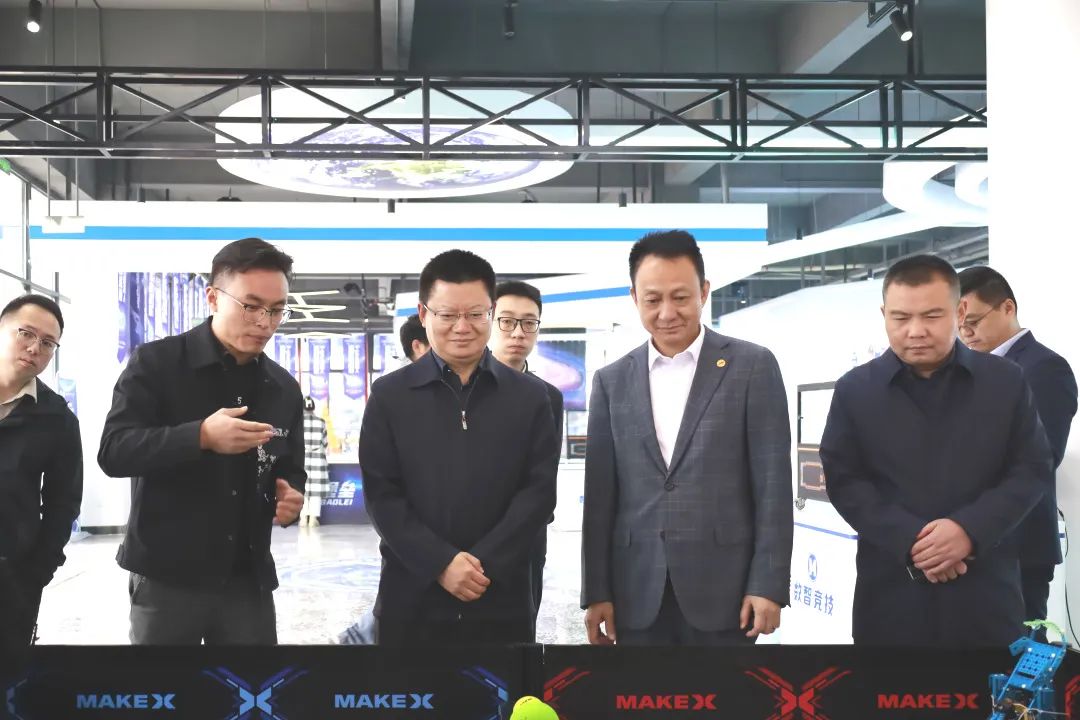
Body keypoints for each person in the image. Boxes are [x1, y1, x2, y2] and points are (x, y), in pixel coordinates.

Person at [820, 255, 1053, 647]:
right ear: (884, 315)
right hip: (891, 593)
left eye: (931, 316)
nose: (916, 331)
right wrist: (913, 540)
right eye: (900, 317)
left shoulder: (1005, 382)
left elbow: (1031, 468)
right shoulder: (855, 390)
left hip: (986, 590)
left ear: (959, 312)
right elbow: (845, 481)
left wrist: (968, 531)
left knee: (990, 684)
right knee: (891, 686)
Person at [581, 230, 792, 646]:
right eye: (652, 299)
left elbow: (772, 485)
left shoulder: (752, 366)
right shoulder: (611, 381)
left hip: (727, 591)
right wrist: (596, 591)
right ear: (634, 298)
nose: (667, 313)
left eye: (680, 297)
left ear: (704, 292)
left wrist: (768, 584)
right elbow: (600, 497)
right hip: (635, 591)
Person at [98, 238, 306, 645]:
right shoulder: (156, 364)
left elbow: (289, 466)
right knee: (165, 684)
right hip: (168, 578)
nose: (265, 322)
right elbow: (115, 451)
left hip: (247, 580)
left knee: (253, 683)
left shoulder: (282, 388)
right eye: (251, 306)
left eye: (277, 309)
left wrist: (290, 494)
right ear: (213, 298)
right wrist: (200, 436)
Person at [358, 250, 559, 646]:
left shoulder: (530, 397)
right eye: (448, 315)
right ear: (424, 314)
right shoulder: (390, 396)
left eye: (476, 314)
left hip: (501, 596)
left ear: (491, 312)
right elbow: (382, 496)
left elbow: (538, 493)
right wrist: (440, 563)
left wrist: (483, 566)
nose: (462, 327)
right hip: (412, 597)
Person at [958, 266, 1077, 628]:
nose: (965, 333)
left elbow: (1041, 456)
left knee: (1016, 652)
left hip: (1017, 545)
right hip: (968, 543)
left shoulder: (1044, 368)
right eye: (958, 325)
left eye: (973, 322)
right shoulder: (968, 369)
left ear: (1007, 308)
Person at [0, 295, 82, 657]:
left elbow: (63, 503)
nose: (35, 348)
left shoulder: (56, 418)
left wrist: (36, 573)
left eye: (48, 343)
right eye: (26, 333)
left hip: (10, 579)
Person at [489, 280, 564, 634]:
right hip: (468, 540)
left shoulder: (549, 397)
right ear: (489, 321)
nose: (518, 332)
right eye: (507, 321)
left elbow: (546, 475)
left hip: (527, 541)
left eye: (529, 323)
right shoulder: (460, 387)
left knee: (521, 636)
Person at [301, 396, 330, 528]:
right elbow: (325, 443)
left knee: (303, 489)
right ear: (313, 408)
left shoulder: (298, 423)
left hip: (303, 458)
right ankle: (313, 519)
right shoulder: (321, 422)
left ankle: (303, 518)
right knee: (316, 492)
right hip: (318, 459)